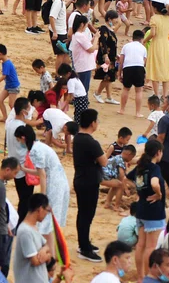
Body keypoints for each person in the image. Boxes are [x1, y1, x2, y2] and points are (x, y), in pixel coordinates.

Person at [14, 124, 70, 236]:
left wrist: (42, 196)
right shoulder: (39, 146)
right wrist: (25, 169)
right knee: (53, 214)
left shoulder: (35, 151)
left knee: (48, 213)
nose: (19, 142)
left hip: (54, 183)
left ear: (23, 138)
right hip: (60, 179)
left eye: (18, 139)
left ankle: (47, 241)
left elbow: (42, 175)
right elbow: (41, 172)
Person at [129, 140, 166, 280]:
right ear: (158, 152)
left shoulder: (140, 166)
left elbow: (128, 178)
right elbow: (154, 183)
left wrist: (138, 192)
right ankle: (148, 277)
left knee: (141, 245)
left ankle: (140, 277)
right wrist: (159, 194)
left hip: (141, 210)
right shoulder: (154, 168)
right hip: (154, 212)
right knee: (151, 247)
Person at [73, 108, 106, 262]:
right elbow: (104, 161)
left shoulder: (78, 138)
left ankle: (84, 243)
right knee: (87, 215)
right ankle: (85, 248)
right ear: (93, 123)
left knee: (83, 214)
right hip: (89, 182)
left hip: (80, 180)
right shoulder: (91, 142)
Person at [13, 193, 66, 283]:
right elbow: (35, 261)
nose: (46, 214)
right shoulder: (25, 232)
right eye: (47, 210)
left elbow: (46, 246)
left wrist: (45, 251)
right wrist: (47, 256)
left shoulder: (33, 227)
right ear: (40, 209)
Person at [144, 2, 169, 98]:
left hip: (156, 44)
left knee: (155, 68)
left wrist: (145, 40)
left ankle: (156, 94)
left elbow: (153, 33)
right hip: (165, 44)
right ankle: (165, 94)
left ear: (155, 8)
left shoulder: (154, 18)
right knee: (165, 68)